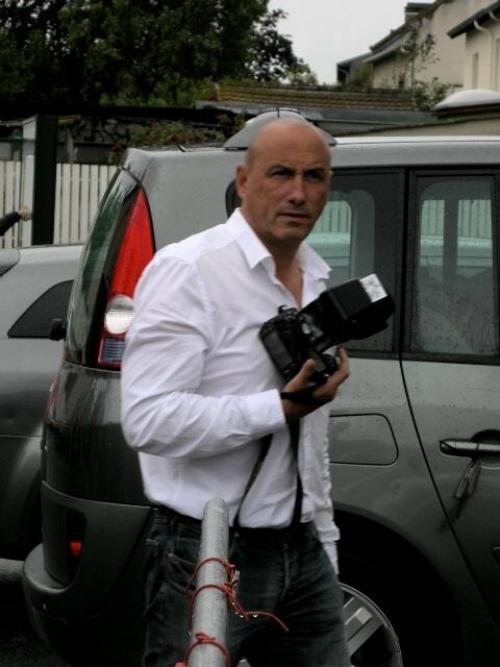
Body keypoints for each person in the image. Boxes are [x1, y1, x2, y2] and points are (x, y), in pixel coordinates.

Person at [121, 116, 351, 667]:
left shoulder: (315, 277)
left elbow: (311, 437)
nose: (299, 193)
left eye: (314, 176)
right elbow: (148, 420)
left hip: (301, 548)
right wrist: (278, 407)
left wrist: (324, 539)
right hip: (205, 548)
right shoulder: (189, 270)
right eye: (281, 173)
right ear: (243, 181)